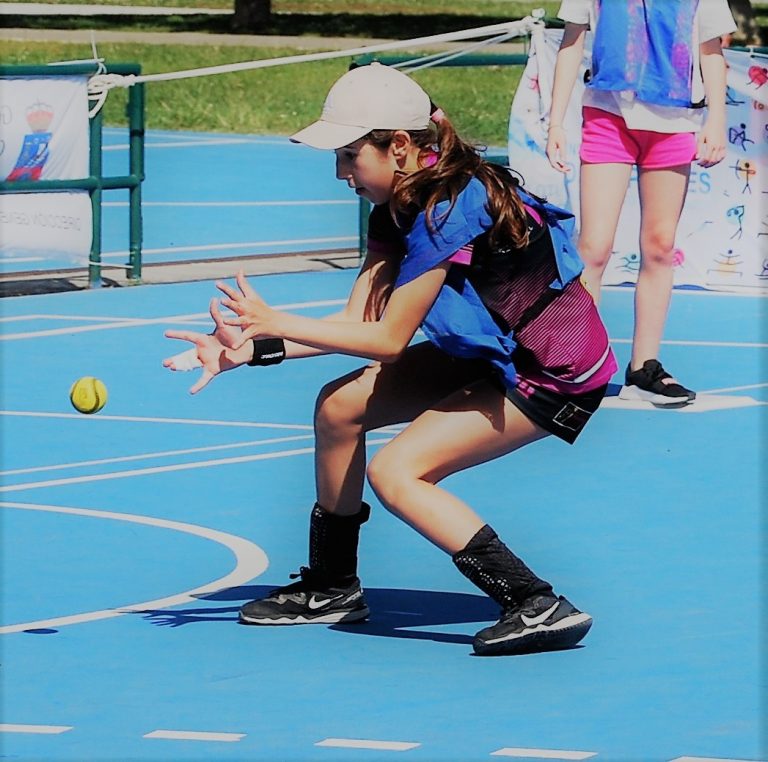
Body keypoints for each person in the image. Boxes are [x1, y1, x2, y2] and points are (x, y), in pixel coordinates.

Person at [163, 63, 617, 656]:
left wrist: (276, 322)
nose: (340, 172)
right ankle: (332, 587)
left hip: (554, 371)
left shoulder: (448, 209)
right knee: (340, 406)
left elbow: (388, 341)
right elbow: (359, 323)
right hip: (493, 349)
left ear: (399, 145)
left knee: (397, 473)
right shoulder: (395, 208)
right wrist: (250, 347)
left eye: (350, 155)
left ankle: (536, 603)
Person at [546, 0, 735, 406]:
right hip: (607, 114)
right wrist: (555, 122)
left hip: (675, 121)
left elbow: (711, 51)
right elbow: (571, 41)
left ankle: (643, 369)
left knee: (660, 245)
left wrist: (716, 119)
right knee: (593, 248)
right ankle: (576, 366)